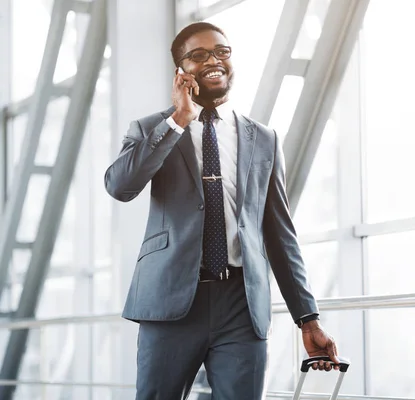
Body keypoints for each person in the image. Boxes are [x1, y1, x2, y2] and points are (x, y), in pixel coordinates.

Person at [104, 21, 340, 399]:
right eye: (198, 55)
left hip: (241, 306)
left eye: (221, 52)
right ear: (180, 71)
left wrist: (307, 318)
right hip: (171, 301)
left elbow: (280, 234)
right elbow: (120, 186)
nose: (213, 60)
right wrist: (178, 120)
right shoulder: (152, 128)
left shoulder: (263, 138)